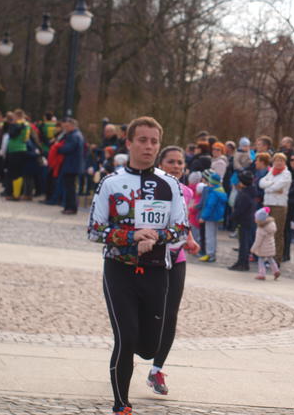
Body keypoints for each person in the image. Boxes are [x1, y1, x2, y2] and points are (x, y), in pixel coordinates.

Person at [87, 116, 189, 415]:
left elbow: (181, 229)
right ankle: (121, 404)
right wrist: (131, 236)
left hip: (157, 271)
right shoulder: (111, 183)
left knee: (149, 348)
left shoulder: (170, 185)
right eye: (142, 140)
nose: (148, 146)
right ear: (129, 143)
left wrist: (155, 236)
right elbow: (94, 230)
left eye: (154, 141)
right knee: (126, 337)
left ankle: (144, 362)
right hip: (119, 269)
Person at [149, 145, 200, 395]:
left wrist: (189, 239)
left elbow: (183, 222)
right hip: (150, 258)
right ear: (160, 164)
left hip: (176, 258)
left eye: (180, 162)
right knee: (146, 312)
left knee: (170, 315)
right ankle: (126, 356)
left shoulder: (186, 191)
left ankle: (156, 370)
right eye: (171, 162)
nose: (177, 166)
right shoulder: (151, 188)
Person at [259, 152, 292, 264]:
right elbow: (261, 183)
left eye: (281, 161)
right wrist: (272, 186)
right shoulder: (271, 172)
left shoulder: (287, 174)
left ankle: (276, 258)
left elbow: (278, 186)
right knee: (266, 231)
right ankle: (266, 256)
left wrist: (269, 187)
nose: (279, 163)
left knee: (277, 232)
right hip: (267, 204)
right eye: (277, 160)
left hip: (279, 206)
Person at [228, 170, 257, 271]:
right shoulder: (251, 192)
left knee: (243, 243)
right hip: (248, 220)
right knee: (245, 242)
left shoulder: (244, 194)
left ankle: (242, 263)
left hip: (243, 221)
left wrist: (232, 217)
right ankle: (243, 262)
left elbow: (239, 209)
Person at [198, 169, 227, 263]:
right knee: (214, 235)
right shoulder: (221, 191)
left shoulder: (213, 193)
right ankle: (212, 253)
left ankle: (210, 254)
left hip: (210, 217)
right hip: (217, 217)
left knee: (209, 236)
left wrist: (203, 217)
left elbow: (210, 206)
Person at [58, 118, 85, 215]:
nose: (65, 128)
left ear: (72, 126)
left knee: (70, 188)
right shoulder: (76, 135)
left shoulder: (74, 136)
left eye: (67, 126)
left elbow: (69, 148)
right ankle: (68, 206)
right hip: (73, 165)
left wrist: (59, 148)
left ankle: (71, 207)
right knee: (70, 187)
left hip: (71, 165)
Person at [251, 207, 280, 280]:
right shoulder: (271, 225)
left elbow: (258, 241)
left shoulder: (261, 229)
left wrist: (253, 249)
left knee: (261, 260)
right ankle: (276, 270)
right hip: (271, 246)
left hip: (262, 248)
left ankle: (262, 274)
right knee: (271, 259)